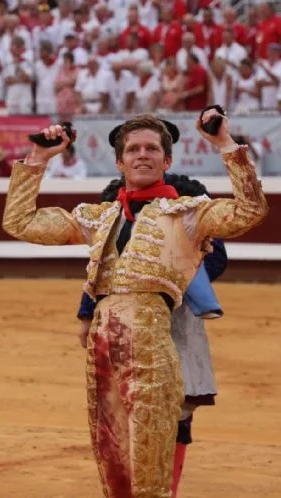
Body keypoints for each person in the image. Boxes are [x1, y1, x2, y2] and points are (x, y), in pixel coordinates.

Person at [2, 111, 268, 497]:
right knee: (114, 467)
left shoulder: (186, 215)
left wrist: (226, 145)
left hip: (152, 354)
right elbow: (20, 222)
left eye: (152, 149)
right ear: (119, 161)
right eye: (133, 149)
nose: (142, 155)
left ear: (167, 161)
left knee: (148, 470)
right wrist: (39, 159)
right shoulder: (101, 217)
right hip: (102, 356)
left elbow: (250, 211)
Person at [76, 172, 228, 497]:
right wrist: (88, 313)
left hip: (177, 319)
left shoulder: (186, 199)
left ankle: (163, 489)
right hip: (124, 322)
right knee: (126, 412)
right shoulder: (113, 205)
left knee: (177, 410)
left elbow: (216, 258)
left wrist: (174, 276)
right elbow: (102, 268)